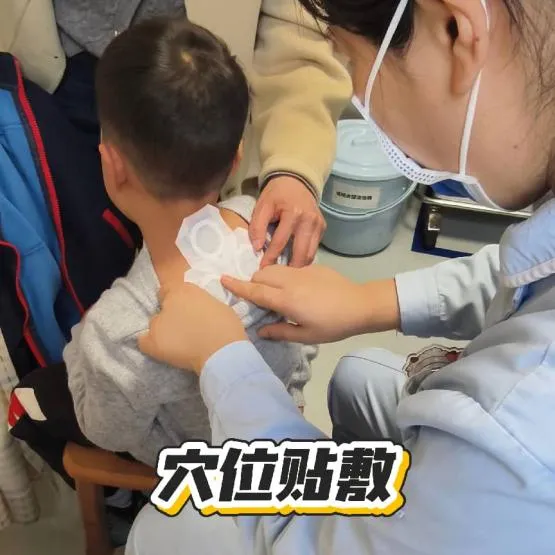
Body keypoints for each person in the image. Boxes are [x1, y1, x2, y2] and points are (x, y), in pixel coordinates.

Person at [128, 0, 555, 554]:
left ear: (456, 29)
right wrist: (371, 302)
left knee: (164, 530)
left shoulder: (515, 425)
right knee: (357, 377)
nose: (353, 89)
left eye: (348, 59)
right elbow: (524, 273)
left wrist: (222, 359)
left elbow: (311, 543)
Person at [63, 17, 314, 466]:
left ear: (112, 165)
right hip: (281, 421)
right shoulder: (274, 232)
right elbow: (305, 343)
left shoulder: (115, 331)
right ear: (237, 157)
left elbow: (106, 432)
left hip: (201, 469)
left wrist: (80, 349)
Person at [0, 0, 351, 267]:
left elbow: (297, 31)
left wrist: (294, 169)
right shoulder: (267, 251)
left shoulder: (103, 331)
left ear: (112, 163)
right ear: (237, 156)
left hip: (204, 88)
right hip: (51, 86)